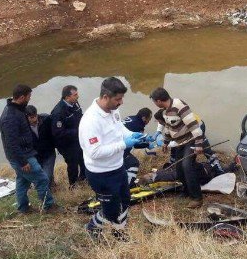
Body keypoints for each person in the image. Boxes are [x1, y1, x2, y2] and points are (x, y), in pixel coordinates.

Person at [79, 77, 144, 238]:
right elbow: (94, 152)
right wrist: (124, 144)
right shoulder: (90, 120)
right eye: (118, 99)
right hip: (101, 174)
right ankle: (92, 228)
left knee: (125, 200)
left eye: (122, 98)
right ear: (105, 97)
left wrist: (132, 135)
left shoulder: (113, 110)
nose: (121, 102)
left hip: (118, 166)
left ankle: (119, 232)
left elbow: (119, 128)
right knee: (111, 210)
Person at [0, 84, 55, 214]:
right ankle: (49, 206)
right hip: (22, 156)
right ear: (22, 97)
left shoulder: (18, 110)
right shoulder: (10, 117)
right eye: (29, 96)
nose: (30, 99)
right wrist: (22, 161)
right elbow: (11, 143)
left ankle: (23, 208)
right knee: (42, 179)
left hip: (25, 153)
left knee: (22, 181)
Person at [150, 87, 205, 209]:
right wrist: (165, 142)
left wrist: (199, 144)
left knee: (187, 166)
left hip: (190, 141)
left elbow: (194, 125)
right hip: (180, 143)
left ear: (158, 100)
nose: (155, 104)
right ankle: (186, 191)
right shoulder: (165, 112)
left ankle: (197, 198)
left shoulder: (179, 105)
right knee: (179, 168)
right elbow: (169, 129)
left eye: (154, 101)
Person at [51, 85, 85, 188]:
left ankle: (83, 178)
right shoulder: (58, 112)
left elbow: (80, 116)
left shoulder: (74, 103)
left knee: (84, 160)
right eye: (75, 95)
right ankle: (73, 185)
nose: (78, 96)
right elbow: (58, 133)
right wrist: (78, 131)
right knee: (73, 165)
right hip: (66, 145)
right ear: (67, 97)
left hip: (78, 140)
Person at [26, 105, 57, 188]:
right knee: (41, 178)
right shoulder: (23, 127)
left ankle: (48, 192)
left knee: (46, 176)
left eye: (35, 116)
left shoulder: (46, 119)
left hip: (49, 153)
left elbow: (55, 132)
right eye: (32, 117)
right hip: (35, 156)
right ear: (27, 117)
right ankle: (51, 186)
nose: (34, 119)